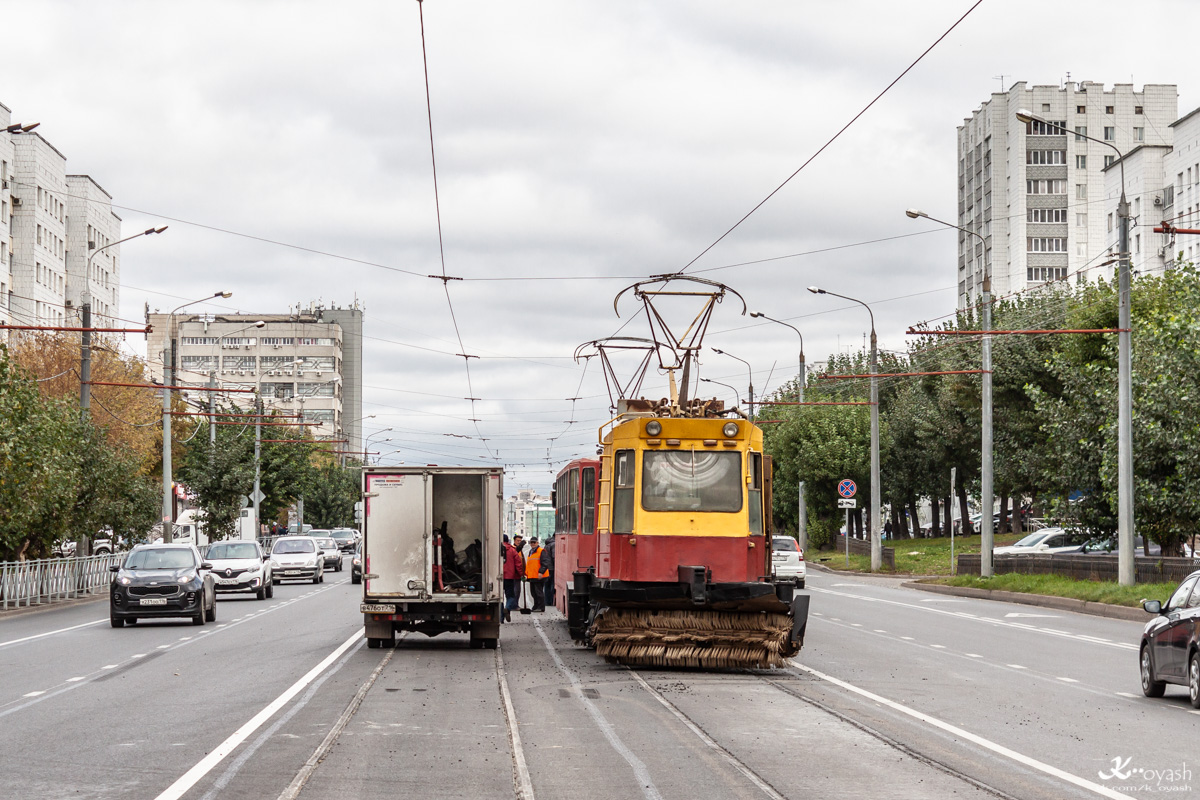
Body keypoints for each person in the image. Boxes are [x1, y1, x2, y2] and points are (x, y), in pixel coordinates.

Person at [502, 534, 524, 622]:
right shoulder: (512, 550)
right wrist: (521, 574)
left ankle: (501, 618)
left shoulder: (495, 549)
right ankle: (507, 608)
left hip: (497, 578)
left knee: (499, 598)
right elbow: (518, 564)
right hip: (509, 577)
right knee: (510, 596)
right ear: (508, 541)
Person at [525, 536, 545, 612]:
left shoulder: (541, 551)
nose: (532, 544)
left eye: (534, 542)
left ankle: (541, 607)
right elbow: (529, 564)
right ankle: (536, 606)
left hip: (538, 575)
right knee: (533, 592)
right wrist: (526, 574)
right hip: (532, 575)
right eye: (531, 542)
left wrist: (541, 572)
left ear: (537, 543)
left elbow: (545, 563)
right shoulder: (531, 552)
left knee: (538, 592)